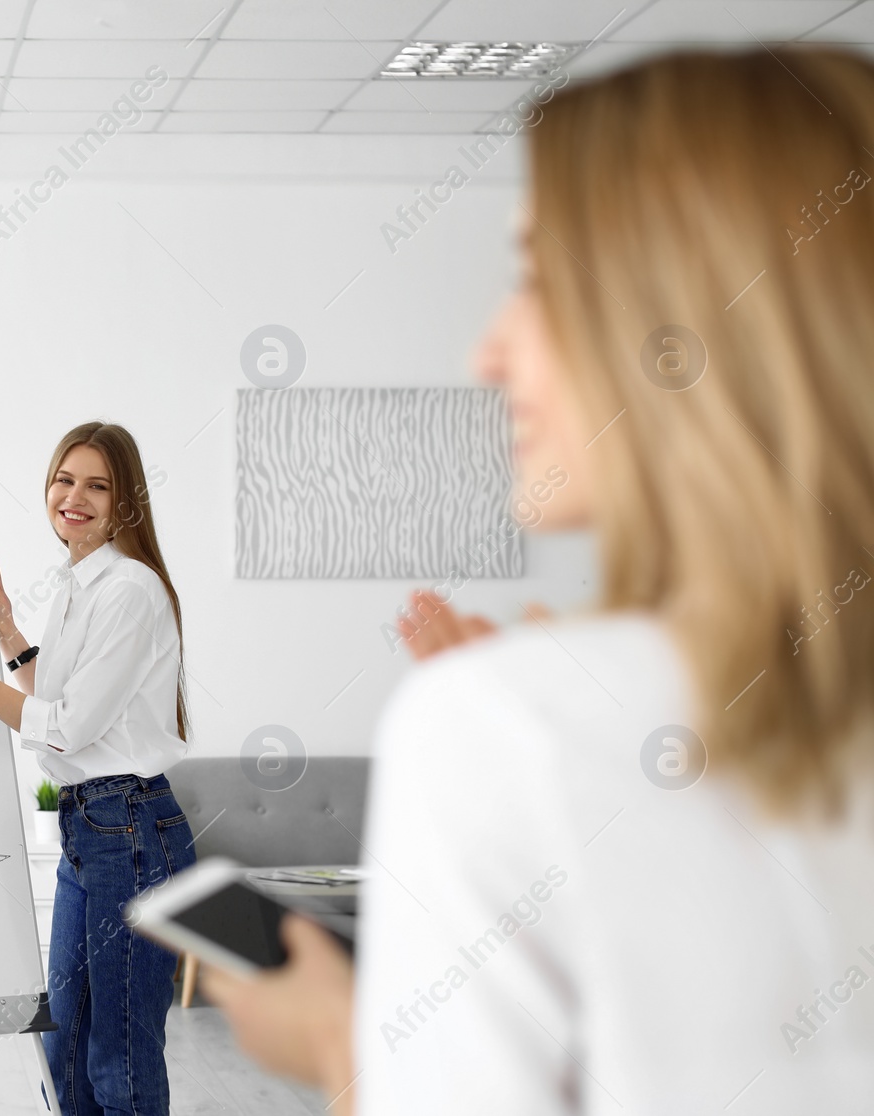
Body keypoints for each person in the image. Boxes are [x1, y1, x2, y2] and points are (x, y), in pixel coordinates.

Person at [204, 46, 874, 1112]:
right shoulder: (528, 720)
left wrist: (338, 1047)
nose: (487, 352)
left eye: (540, 281)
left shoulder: (503, 728)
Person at [0, 422, 195, 1114]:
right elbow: (57, 702)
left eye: (97, 485)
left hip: (133, 833)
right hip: (95, 830)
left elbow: (66, 729)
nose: (75, 496)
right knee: (62, 1045)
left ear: (125, 501)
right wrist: (7, 629)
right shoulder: (77, 584)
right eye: (65, 479)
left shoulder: (128, 590)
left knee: (118, 1054)